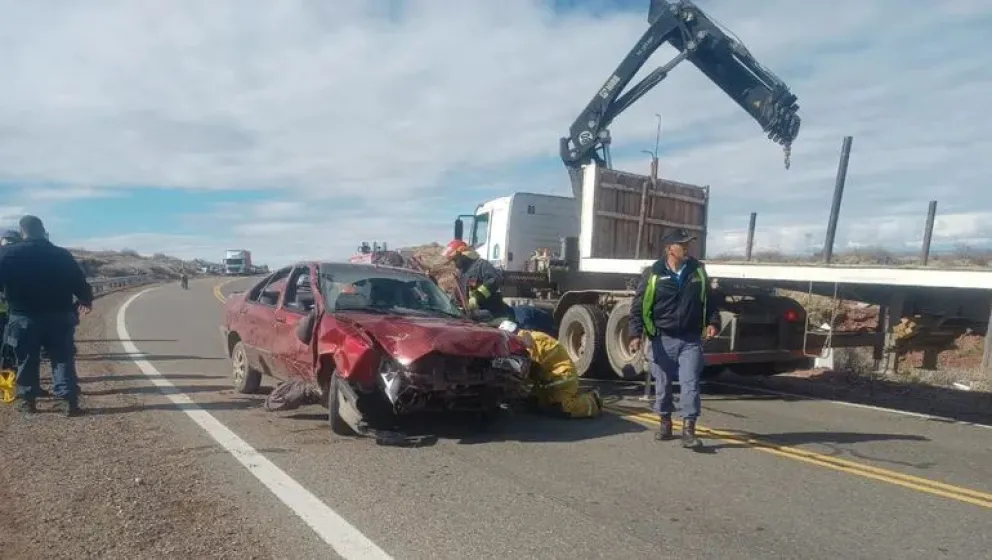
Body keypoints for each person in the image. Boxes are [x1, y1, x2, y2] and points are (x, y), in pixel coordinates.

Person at [628, 228, 721, 448]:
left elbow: (710, 301)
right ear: (670, 248)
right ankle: (665, 423)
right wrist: (635, 334)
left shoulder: (697, 271)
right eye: (682, 244)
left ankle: (689, 430)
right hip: (662, 338)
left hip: (690, 339)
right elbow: (638, 307)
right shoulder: (654, 273)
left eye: (688, 244)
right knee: (663, 385)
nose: (687, 247)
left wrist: (713, 322)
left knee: (690, 385)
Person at [0, 215, 93, 416]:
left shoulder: (7, 254)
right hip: (59, 315)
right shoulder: (62, 255)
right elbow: (79, 281)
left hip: (23, 317)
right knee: (62, 358)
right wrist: (86, 300)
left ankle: (28, 400)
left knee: (26, 359)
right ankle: (67, 400)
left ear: (23, 231)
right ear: (42, 230)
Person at [498, 320, 602, 419]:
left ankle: (592, 400)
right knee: (530, 404)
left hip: (562, 378)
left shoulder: (525, 341)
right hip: (548, 380)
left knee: (563, 409)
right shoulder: (528, 337)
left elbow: (528, 368)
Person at [441, 239, 515, 325]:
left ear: (463, 255)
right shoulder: (462, 274)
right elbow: (458, 294)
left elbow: (494, 280)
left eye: (455, 259)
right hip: (474, 318)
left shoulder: (482, 265)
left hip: (491, 316)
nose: (455, 263)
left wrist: (477, 296)